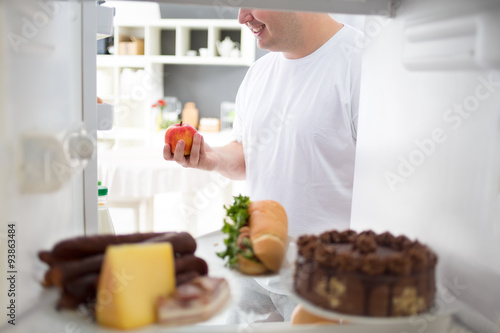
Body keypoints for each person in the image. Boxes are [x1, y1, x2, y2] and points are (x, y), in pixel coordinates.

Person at [164, 8, 363, 324]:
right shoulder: (259, 73)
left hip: (322, 286)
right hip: (252, 269)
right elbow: (247, 156)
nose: (242, 17)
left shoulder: (360, 63)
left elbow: (384, 189)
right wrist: (212, 158)